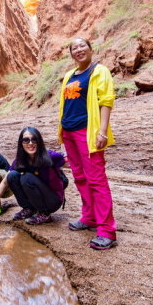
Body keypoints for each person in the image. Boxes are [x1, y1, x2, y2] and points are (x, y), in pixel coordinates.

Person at [58, 37, 118, 250]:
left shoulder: (99, 71)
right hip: (69, 132)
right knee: (81, 177)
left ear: (91, 50)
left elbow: (106, 101)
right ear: (71, 54)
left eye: (82, 45)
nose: (79, 49)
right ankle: (89, 217)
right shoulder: (69, 76)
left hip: (88, 132)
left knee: (96, 180)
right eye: (74, 48)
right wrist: (63, 135)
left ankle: (107, 231)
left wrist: (101, 131)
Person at [0, 127, 65, 225]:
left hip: (53, 199)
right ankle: (29, 209)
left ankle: (44, 214)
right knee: (12, 175)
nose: (30, 143)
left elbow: (71, 163)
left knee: (26, 177)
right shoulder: (21, 160)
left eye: (34, 139)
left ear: (39, 141)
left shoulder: (50, 155)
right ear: (21, 143)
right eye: (26, 140)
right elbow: (4, 182)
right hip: (38, 194)